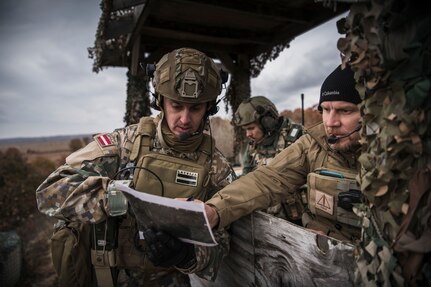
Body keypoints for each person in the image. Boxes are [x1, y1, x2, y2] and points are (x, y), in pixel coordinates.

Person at [36, 47, 237, 287]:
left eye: (195, 108)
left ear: (209, 107)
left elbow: (224, 244)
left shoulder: (217, 168)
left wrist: (188, 256)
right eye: (176, 105)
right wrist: (118, 198)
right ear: (160, 100)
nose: (184, 119)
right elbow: (49, 193)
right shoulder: (125, 144)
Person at [204, 64, 363, 243]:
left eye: (345, 110)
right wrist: (216, 209)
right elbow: (268, 178)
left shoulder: (392, 154)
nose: (330, 122)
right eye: (325, 110)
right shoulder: (313, 144)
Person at [233, 96, 304, 222]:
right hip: (267, 217)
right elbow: (246, 177)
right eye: (245, 130)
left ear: (267, 122)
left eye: (251, 128)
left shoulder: (297, 138)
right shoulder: (253, 146)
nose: (248, 134)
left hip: (299, 216)